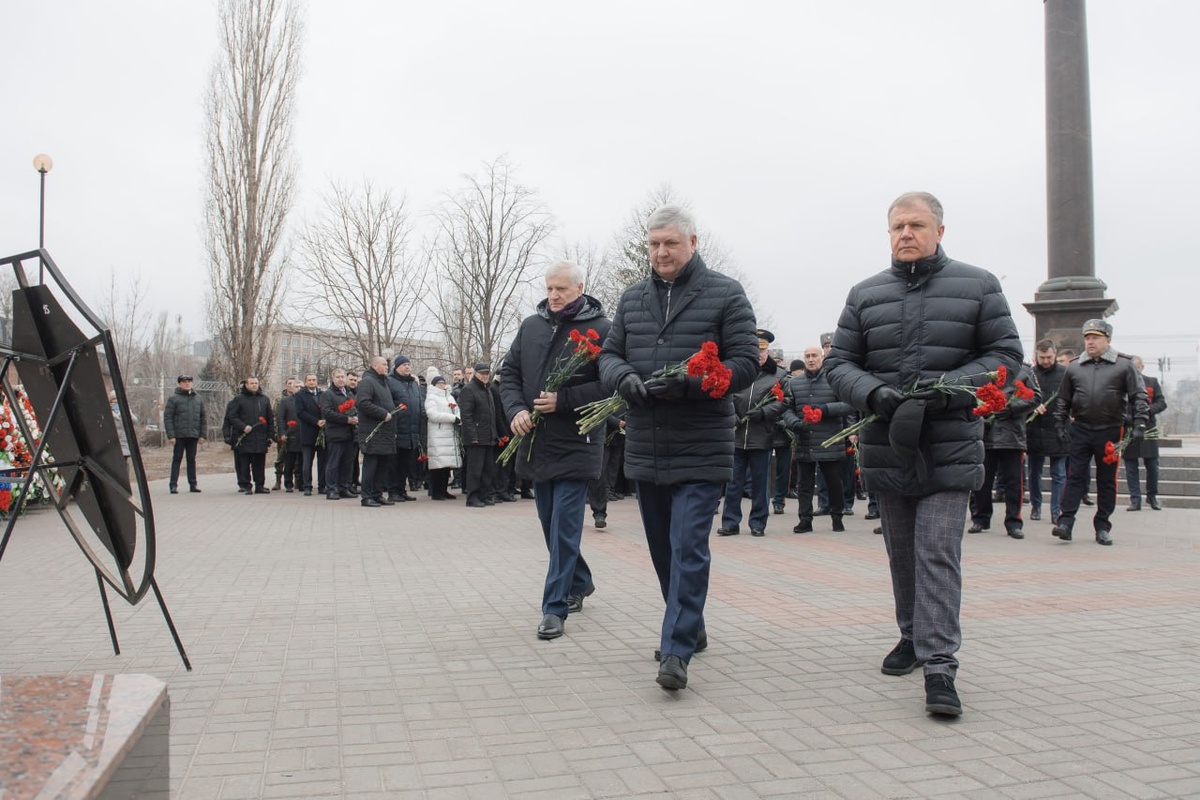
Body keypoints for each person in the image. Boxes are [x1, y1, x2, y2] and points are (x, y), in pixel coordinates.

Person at [824, 191, 1022, 717]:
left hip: (949, 445)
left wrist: (946, 388)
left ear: (939, 230)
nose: (905, 234)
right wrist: (873, 393)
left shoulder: (978, 285)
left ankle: (940, 665)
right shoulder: (865, 294)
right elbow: (839, 363)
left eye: (915, 225)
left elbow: (1005, 357)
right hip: (888, 444)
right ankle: (911, 635)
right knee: (902, 553)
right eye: (896, 227)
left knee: (936, 549)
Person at [598, 204, 758, 691]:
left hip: (702, 444)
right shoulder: (631, 299)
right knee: (663, 551)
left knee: (689, 545)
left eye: (670, 243)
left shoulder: (726, 294)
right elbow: (609, 354)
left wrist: (692, 382)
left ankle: (676, 649)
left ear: (693, 243)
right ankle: (691, 622)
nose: (661, 252)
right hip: (647, 444)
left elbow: (745, 363)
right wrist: (623, 379)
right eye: (653, 244)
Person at [500, 260, 612, 640]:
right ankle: (580, 580)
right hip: (536, 444)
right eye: (549, 288)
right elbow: (509, 374)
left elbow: (611, 386)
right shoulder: (531, 326)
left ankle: (554, 608)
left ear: (580, 287)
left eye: (561, 289)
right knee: (551, 528)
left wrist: (563, 400)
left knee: (565, 528)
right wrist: (515, 410)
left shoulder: (602, 330)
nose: (553, 296)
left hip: (577, 443)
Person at [1052, 320, 1148, 544]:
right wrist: (1059, 423)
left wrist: (1140, 424)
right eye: (1087, 338)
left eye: (1095, 337)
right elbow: (1063, 399)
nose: (1090, 342)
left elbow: (1139, 396)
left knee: (1106, 481)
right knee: (1075, 476)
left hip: (1111, 430)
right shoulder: (1075, 366)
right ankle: (1065, 522)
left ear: (1108, 340)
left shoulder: (1124, 365)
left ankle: (1102, 526)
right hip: (1081, 429)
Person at [718, 329, 785, 537]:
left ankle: (758, 522)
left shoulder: (779, 375)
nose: (758, 353)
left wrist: (763, 412)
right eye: (755, 348)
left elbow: (784, 402)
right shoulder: (739, 371)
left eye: (762, 349)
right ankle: (730, 522)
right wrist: (732, 415)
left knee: (759, 483)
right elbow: (725, 394)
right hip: (737, 435)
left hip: (761, 435)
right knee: (734, 482)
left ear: (768, 351)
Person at [783, 345, 855, 534]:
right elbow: (787, 409)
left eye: (814, 355)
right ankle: (805, 519)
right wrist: (794, 423)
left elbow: (848, 405)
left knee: (834, 483)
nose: (811, 359)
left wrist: (826, 410)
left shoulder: (834, 380)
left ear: (822, 357)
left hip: (829, 441)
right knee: (804, 485)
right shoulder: (794, 383)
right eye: (807, 356)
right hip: (804, 441)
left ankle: (837, 517)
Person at [968, 362, 1039, 538]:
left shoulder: (1024, 370)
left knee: (1014, 482)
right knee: (982, 480)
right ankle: (980, 518)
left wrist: (1011, 408)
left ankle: (1014, 521)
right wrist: (983, 412)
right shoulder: (984, 367)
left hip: (1012, 435)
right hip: (987, 433)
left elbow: (1036, 397)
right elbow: (970, 394)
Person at [1026, 340, 1069, 522]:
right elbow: (1021, 398)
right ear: (1036, 355)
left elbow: (1071, 398)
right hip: (1034, 429)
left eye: (1049, 357)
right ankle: (1036, 506)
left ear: (1055, 354)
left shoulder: (1065, 373)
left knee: (1058, 473)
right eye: (1042, 357)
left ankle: (1056, 510)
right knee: (1034, 472)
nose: (1045, 361)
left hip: (1057, 428)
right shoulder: (1030, 374)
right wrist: (1032, 409)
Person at [1123, 356, 1167, 511]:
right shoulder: (1121, 385)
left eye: (1137, 368)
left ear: (1142, 367)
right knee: (1130, 467)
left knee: (1152, 465)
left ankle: (1152, 496)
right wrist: (1127, 418)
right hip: (1129, 428)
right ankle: (1135, 499)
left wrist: (1148, 411)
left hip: (1148, 428)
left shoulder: (1152, 382)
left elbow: (1161, 403)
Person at [355, 356, 397, 507]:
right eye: (384, 364)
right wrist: (382, 413)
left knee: (382, 466)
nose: (387, 367)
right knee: (371, 466)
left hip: (385, 432)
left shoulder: (383, 383)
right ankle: (367, 497)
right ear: (374, 366)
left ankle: (377, 494)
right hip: (373, 431)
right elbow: (363, 403)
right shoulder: (367, 382)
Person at [458, 363, 498, 508]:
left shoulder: (487, 389)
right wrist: (472, 435)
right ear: (475, 373)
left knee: (488, 469)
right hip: (475, 436)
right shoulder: (468, 389)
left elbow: (492, 414)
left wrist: (494, 434)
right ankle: (472, 497)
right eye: (482, 373)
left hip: (487, 435)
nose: (485, 375)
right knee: (475, 469)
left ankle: (485, 495)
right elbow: (466, 415)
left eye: (487, 373)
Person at [226, 376, 275, 494]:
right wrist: (243, 426)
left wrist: (270, 435)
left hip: (260, 437)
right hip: (245, 437)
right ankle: (247, 485)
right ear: (246, 385)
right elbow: (232, 417)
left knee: (259, 463)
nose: (254, 385)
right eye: (252, 383)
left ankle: (260, 485)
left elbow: (270, 419)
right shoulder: (238, 399)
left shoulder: (264, 399)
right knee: (244, 463)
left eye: (256, 383)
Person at [388, 355, 424, 503]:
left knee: (405, 464)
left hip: (412, 431)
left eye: (409, 364)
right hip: (398, 429)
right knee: (394, 464)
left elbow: (418, 404)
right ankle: (393, 491)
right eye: (404, 365)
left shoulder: (413, 384)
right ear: (396, 367)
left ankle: (402, 490)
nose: (407, 367)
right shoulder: (390, 382)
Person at [320, 369, 359, 500]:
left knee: (347, 463)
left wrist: (355, 418)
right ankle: (331, 489)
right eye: (338, 377)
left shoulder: (349, 394)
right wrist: (346, 419)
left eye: (342, 377)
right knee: (333, 463)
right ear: (333, 378)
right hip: (336, 434)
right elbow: (327, 413)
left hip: (349, 434)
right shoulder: (328, 394)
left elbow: (355, 409)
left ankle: (344, 487)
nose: (341, 379)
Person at [164, 374, 206, 494]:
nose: (187, 383)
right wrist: (171, 435)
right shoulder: (173, 398)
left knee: (191, 459)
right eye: (184, 381)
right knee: (177, 459)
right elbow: (168, 418)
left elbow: (203, 418)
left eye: (189, 381)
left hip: (193, 434)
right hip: (179, 435)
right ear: (180, 383)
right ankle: (173, 485)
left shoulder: (198, 398)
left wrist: (203, 435)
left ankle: (193, 484)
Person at [424, 376, 461, 500]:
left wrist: (458, 417)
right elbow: (432, 414)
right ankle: (436, 491)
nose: (442, 385)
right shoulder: (431, 397)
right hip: (438, 434)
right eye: (439, 383)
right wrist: (452, 418)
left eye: (443, 382)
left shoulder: (449, 396)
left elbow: (456, 409)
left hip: (450, 434)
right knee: (437, 464)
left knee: (447, 465)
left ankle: (444, 490)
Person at [295, 373, 326, 496]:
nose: (312, 382)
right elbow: (300, 413)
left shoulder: (322, 395)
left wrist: (324, 420)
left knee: (323, 461)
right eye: (310, 380)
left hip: (322, 432)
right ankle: (307, 485)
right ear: (306, 382)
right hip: (308, 432)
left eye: (314, 380)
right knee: (307, 462)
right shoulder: (300, 395)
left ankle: (322, 485)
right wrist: (315, 421)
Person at [277, 377, 303, 492]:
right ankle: (288, 483)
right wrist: (282, 433)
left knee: (303, 462)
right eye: (297, 387)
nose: (299, 389)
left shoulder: (307, 400)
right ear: (292, 388)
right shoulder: (285, 401)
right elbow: (280, 418)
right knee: (289, 461)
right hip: (291, 435)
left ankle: (301, 483)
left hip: (304, 435)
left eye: (301, 387)